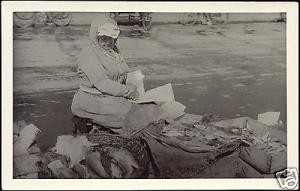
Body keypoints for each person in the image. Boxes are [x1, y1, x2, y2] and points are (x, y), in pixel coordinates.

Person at [71, 16, 164, 134]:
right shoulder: (89, 54)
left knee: (152, 107)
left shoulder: (113, 51)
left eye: (110, 38)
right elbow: (103, 83)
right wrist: (128, 92)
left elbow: (125, 71)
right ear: (95, 36)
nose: (107, 42)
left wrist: (134, 81)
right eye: (102, 38)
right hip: (92, 99)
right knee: (134, 116)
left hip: (112, 95)